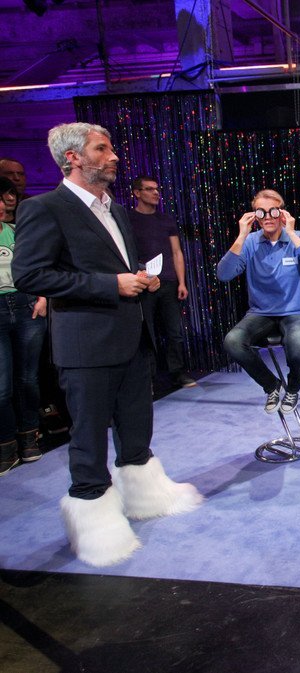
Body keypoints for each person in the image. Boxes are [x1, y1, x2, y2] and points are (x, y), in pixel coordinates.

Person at [12, 122, 202, 567]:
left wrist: (140, 278)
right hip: (86, 346)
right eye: (102, 148)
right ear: (73, 158)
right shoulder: (45, 208)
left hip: (132, 337)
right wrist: (110, 284)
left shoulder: (114, 209)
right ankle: (94, 519)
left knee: (137, 426)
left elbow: (118, 265)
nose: (114, 156)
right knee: (89, 436)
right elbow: (30, 274)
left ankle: (143, 497)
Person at [218, 189, 300, 414]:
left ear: (282, 213)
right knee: (232, 341)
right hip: (261, 313)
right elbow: (224, 274)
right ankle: (271, 385)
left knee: (297, 342)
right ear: (254, 216)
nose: (267, 217)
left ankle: (293, 388)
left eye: (273, 211)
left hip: (297, 311)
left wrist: (292, 233)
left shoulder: (298, 238)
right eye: (261, 212)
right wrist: (241, 236)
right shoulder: (250, 242)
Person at [128, 175, 196, 388]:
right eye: (149, 189)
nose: (156, 193)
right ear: (137, 193)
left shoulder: (166, 220)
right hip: (143, 282)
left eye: (157, 189)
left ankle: (177, 372)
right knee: (147, 332)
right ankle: (148, 378)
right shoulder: (129, 219)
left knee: (174, 331)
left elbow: (176, 252)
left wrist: (181, 282)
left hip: (168, 281)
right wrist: (140, 275)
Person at [0, 193, 47, 475]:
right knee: (2, 387)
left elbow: (38, 266)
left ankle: (29, 437)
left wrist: (42, 297)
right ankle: (6, 446)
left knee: (28, 379)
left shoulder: (17, 231)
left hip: (25, 303)